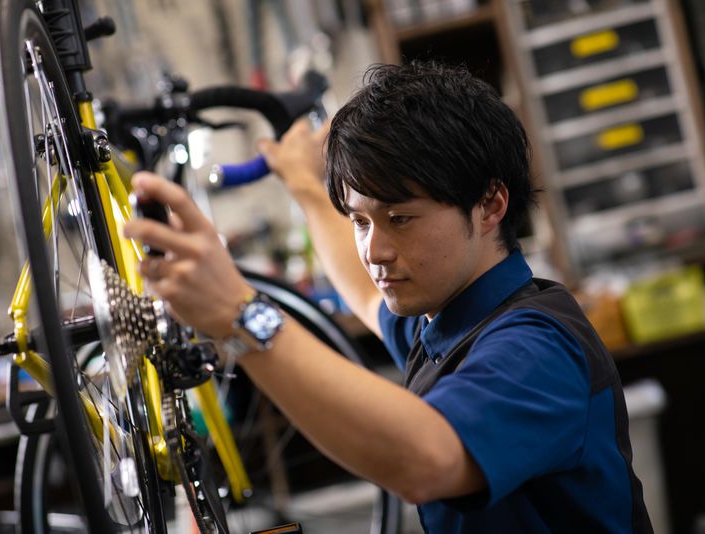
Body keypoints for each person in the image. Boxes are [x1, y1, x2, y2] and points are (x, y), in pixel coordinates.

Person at [123, 61, 652, 533]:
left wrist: (240, 315)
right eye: (360, 221)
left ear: (490, 205)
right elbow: (360, 290)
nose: (374, 251)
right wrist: (304, 184)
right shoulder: (445, 321)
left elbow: (425, 460)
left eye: (400, 219)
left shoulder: (536, 348)